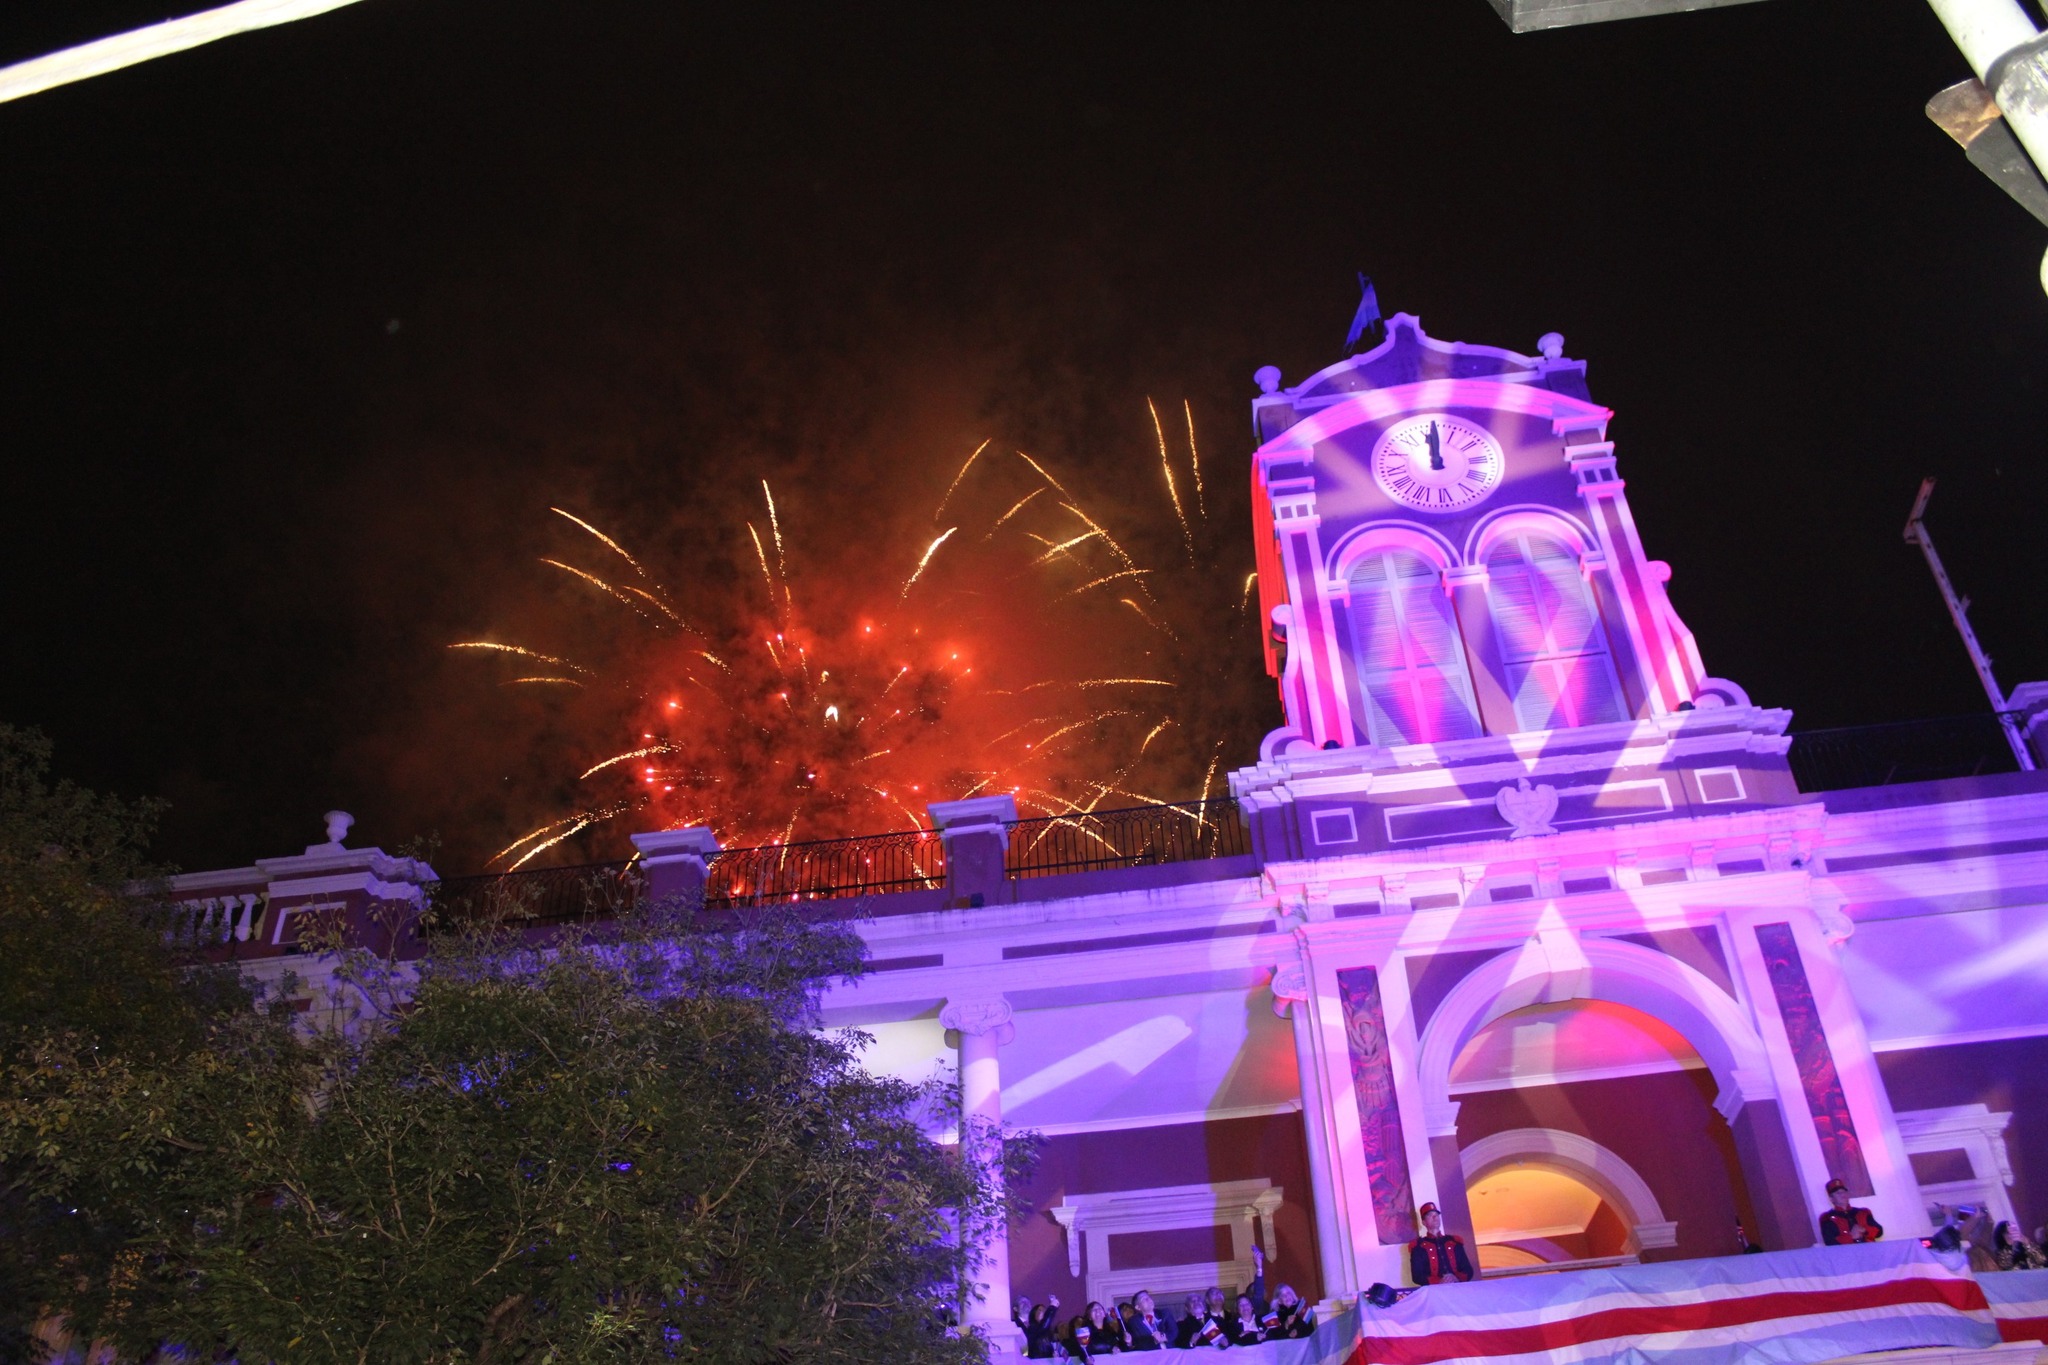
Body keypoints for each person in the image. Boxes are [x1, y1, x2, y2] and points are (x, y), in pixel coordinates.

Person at [1409, 1202, 1475, 1285]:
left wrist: (1455, 1278)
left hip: (1458, 1289)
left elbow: (1468, 1270)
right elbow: (1417, 1276)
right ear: (1424, 1222)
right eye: (1430, 1215)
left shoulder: (1454, 1242)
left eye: (1436, 1214)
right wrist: (1438, 1281)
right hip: (1435, 1293)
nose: (1435, 1217)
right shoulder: (1418, 1247)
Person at [1818, 1178, 1883, 1246]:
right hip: (1847, 1255)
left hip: (1869, 1251)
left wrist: (1864, 1230)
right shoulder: (1827, 1218)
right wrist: (1851, 1237)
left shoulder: (1863, 1212)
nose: (1842, 1194)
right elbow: (1830, 1242)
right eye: (1838, 1193)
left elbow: (1879, 1231)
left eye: (1843, 1191)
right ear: (1831, 1199)